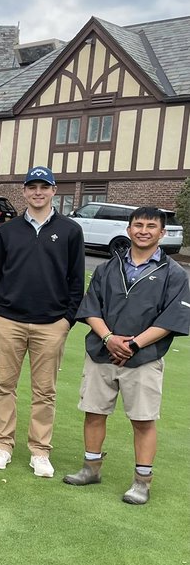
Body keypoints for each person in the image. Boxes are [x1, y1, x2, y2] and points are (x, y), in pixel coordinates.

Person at [63, 207, 190, 504]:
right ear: (129, 229)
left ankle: (142, 482)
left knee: (143, 420)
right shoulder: (109, 267)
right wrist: (109, 339)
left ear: (162, 233)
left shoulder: (174, 274)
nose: (143, 230)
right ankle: (91, 468)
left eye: (150, 226)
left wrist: (133, 345)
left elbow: (171, 319)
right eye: (138, 225)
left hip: (144, 358)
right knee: (94, 412)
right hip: (101, 352)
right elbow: (91, 307)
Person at [0, 165, 85, 477]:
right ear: (25, 191)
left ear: (54, 190)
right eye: (32, 187)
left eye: (44, 186)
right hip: (9, 321)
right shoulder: (10, 231)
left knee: (45, 391)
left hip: (51, 323)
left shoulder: (69, 230)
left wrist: (66, 320)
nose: (37, 192)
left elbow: (76, 281)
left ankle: (40, 451)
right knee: (4, 386)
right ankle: (3, 444)